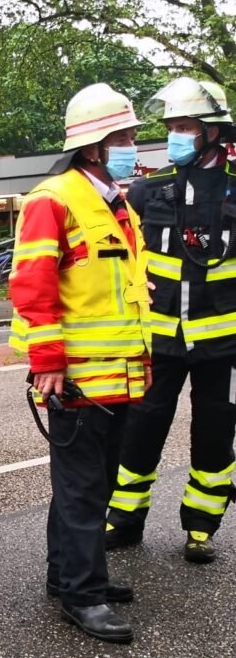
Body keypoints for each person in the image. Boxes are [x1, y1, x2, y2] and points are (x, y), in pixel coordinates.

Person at [9, 83, 151, 643]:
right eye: (125, 137)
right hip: (76, 377)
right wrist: (47, 359)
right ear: (93, 145)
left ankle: (66, 574)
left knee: (91, 483)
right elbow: (33, 283)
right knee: (82, 487)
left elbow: (126, 293)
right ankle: (83, 595)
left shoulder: (115, 202)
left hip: (117, 373)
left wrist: (142, 360)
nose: (133, 146)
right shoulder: (54, 199)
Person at [105, 78, 236, 563]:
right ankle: (124, 519)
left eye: (184, 127)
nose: (175, 136)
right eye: (172, 128)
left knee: (215, 434)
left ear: (212, 133)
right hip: (158, 341)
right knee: (140, 429)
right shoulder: (148, 190)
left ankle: (202, 526)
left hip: (223, 346)